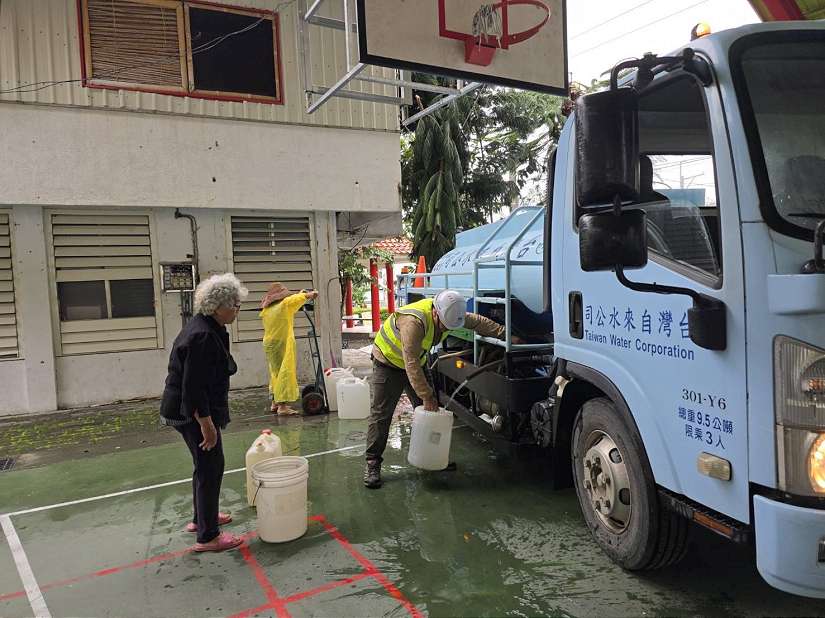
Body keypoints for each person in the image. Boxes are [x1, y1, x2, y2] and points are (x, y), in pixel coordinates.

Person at [365, 289, 511, 489]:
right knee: (382, 414)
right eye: (443, 325)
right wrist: (426, 395)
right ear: (435, 312)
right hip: (388, 363)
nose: (444, 330)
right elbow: (411, 364)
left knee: (432, 413)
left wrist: (505, 334)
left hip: (415, 362)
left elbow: (477, 322)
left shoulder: (452, 314)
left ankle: (434, 459)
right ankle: (373, 463)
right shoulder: (413, 323)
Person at [160, 273, 247, 552]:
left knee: (205, 464)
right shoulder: (202, 335)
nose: (237, 309)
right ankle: (208, 536)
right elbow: (193, 387)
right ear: (218, 306)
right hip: (190, 410)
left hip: (188, 406)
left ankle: (202, 518)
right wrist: (206, 424)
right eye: (234, 304)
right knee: (211, 465)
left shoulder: (209, 327)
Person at [260, 283, 319, 415]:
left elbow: (293, 302)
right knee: (284, 372)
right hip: (281, 342)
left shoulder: (268, 309)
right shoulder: (284, 304)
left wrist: (301, 294)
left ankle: (275, 403)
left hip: (269, 343)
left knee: (275, 373)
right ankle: (282, 406)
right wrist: (310, 294)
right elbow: (293, 301)